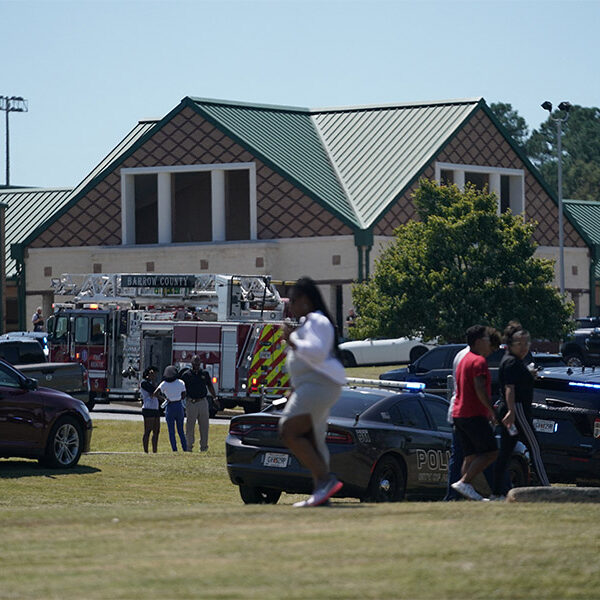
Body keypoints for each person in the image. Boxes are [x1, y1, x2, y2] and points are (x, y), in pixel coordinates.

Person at [279, 277, 347, 507]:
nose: (291, 307)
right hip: (313, 385)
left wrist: (292, 341)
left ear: (306, 300)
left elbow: (317, 353)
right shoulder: (309, 323)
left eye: (294, 301)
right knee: (314, 440)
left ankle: (326, 480)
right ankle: (321, 494)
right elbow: (308, 362)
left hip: (320, 385)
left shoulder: (317, 321)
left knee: (288, 429)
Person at [492, 323, 550, 498]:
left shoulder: (516, 361)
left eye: (527, 343)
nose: (524, 347)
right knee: (534, 446)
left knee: (506, 452)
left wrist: (528, 375)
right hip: (517, 409)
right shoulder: (510, 362)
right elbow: (510, 388)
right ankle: (546, 487)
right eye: (520, 344)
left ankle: (496, 492)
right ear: (510, 344)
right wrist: (511, 411)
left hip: (513, 410)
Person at [444, 328, 501, 500]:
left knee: (469, 457)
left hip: (458, 413)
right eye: (485, 339)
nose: (488, 342)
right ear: (477, 341)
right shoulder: (478, 361)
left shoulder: (463, 360)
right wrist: (492, 411)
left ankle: (464, 493)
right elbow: (480, 389)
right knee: (491, 452)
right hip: (473, 413)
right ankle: (465, 482)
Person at [181, 355, 217, 452]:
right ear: (191, 364)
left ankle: (204, 447)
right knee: (190, 426)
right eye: (194, 363)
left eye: (198, 363)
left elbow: (209, 386)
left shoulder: (204, 373)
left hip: (202, 402)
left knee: (204, 425)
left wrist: (215, 397)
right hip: (191, 402)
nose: (196, 365)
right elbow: (182, 388)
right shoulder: (186, 375)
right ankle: (188, 447)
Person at [154, 365, 187, 452]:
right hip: (179, 405)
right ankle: (185, 448)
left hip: (170, 405)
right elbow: (184, 395)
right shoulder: (181, 382)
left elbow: (155, 393)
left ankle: (174, 449)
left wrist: (164, 398)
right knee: (181, 430)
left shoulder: (164, 383)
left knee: (171, 430)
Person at [140, 367, 160, 453]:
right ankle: (146, 450)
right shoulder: (144, 383)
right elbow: (153, 391)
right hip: (148, 408)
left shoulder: (153, 383)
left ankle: (154, 450)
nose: (154, 376)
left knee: (156, 431)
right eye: (153, 374)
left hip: (155, 408)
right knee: (148, 430)